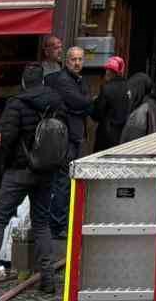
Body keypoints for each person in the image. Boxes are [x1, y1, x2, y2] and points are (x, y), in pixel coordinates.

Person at [0, 65, 58, 299]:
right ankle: (48, 279)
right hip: (45, 170)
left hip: (19, 170)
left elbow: (8, 137)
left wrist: (0, 142)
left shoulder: (16, 103)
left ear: (23, 82)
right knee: (41, 223)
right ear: (42, 81)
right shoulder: (55, 101)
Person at [47, 45, 92, 242]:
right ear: (66, 61)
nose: (77, 63)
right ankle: (57, 225)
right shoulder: (64, 80)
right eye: (74, 59)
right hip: (66, 136)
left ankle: (62, 222)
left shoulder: (79, 80)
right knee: (63, 181)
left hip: (74, 135)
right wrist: (82, 104)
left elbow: (85, 103)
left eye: (80, 59)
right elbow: (81, 102)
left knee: (67, 180)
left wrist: (82, 104)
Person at [89, 56, 133, 152]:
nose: (106, 72)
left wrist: (94, 103)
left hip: (106, 136)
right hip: (123, 134)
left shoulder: (107, 88)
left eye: (108, 70)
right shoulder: (128, 87)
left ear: (111, 72)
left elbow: (97, 114)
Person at [120, 74, 156, 142]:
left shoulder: (139, 113)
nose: (128, 93)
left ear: (138, 90)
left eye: (130, 89)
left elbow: (133, 142)